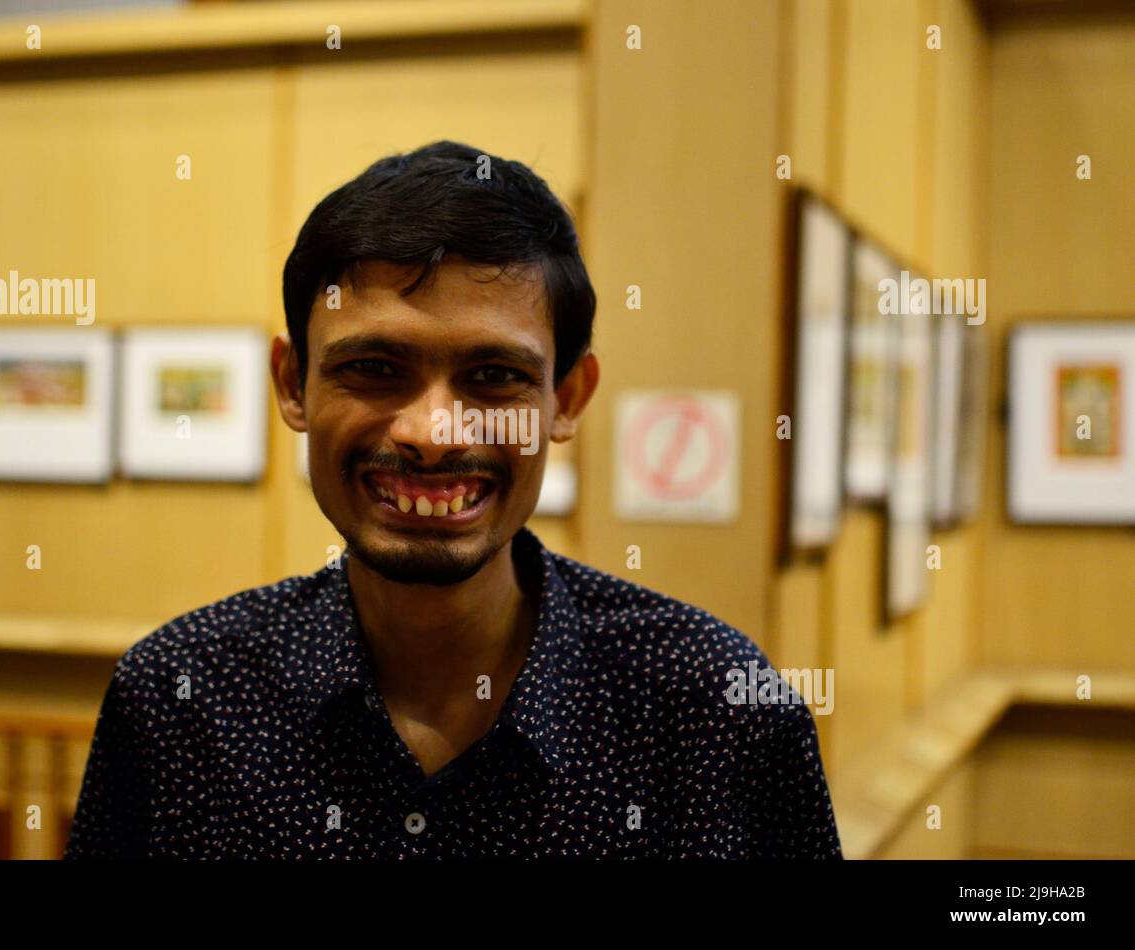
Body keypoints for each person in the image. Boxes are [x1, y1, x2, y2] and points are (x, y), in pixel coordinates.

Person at [64, 140, 841, 859]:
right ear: (292, 384)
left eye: (493, 375)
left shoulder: (717, 713)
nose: (433, 432)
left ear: (566, 398)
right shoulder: (178, 701)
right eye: (374, 367)